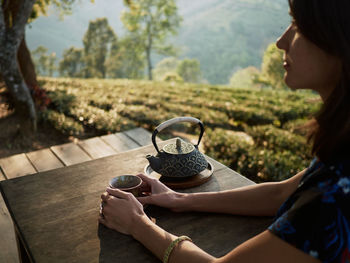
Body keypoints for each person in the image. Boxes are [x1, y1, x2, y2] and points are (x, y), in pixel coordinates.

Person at [99, 0, 350, 262]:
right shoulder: (340, 154)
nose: (281, 41)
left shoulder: (336, 197)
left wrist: (138, 224)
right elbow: (280, 194)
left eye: (298, 26)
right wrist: (178, 200)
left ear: (339, 38)